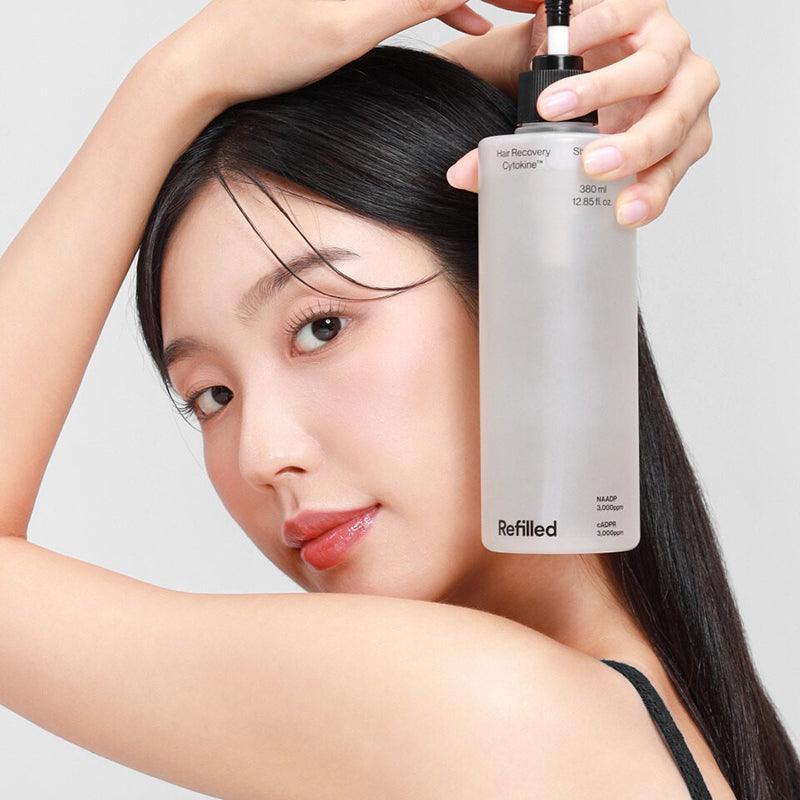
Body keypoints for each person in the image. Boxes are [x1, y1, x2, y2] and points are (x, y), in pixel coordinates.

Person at [0, 1, 795, 798]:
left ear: (526, 290)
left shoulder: (493, 712)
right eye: (211, 395)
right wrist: (447, 101)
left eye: (321, 327)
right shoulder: (626, 716)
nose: (262, 455)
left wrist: (179, 78)